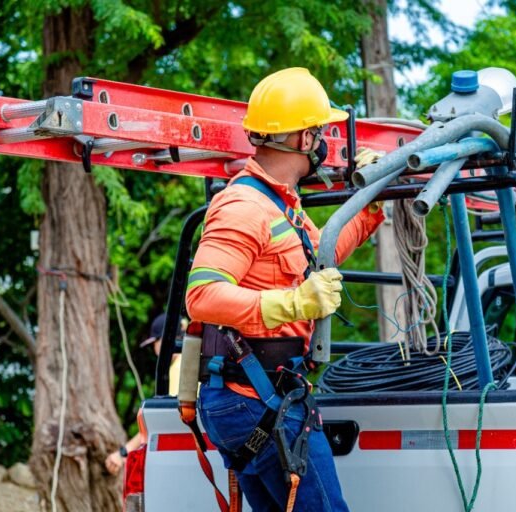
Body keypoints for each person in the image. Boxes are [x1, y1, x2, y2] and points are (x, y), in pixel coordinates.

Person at [185, 67, 384, 511]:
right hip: (255, 396)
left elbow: (321, 253)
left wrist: (371, 201)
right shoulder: (244, 206)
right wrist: (293, 303)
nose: (322, 142)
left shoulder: (280, 205)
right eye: (318, 132)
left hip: (255, 397)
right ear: (299, 139)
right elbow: (202, 296)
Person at [104, 313, 183, 476]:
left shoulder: (178, 368)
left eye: (154, 343)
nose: (154, 350)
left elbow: (164, 421)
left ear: (166, 339)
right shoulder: (191, 362)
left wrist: (123, 453)